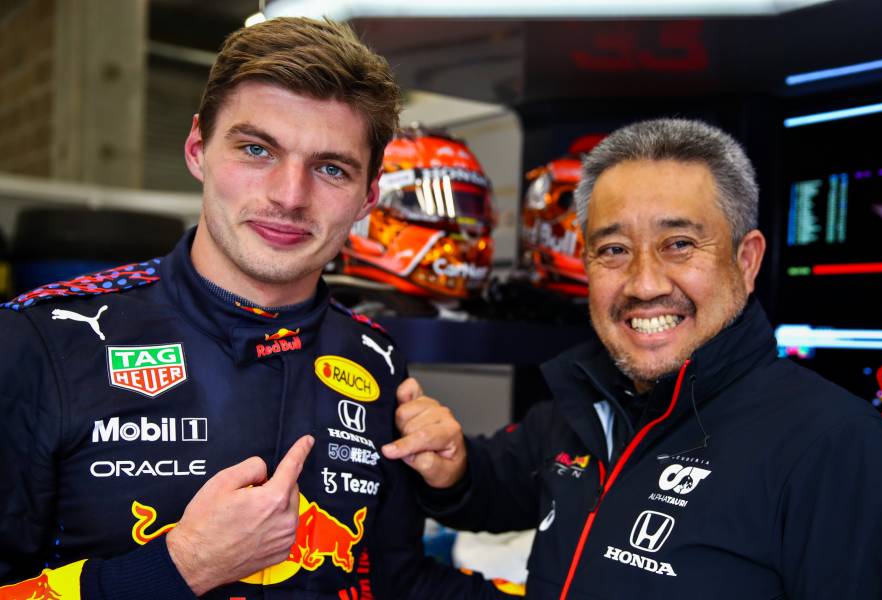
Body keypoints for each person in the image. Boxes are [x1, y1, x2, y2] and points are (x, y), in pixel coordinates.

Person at [0, 17, 510, 600]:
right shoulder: (41, 341)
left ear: (368, 195)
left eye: (331, 168)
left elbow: (390, 580)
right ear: (198, 149)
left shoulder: (373, 356)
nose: (289, 197)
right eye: (256, 149)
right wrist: (183, 566)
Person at [383, 118, 882, 599]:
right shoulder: (585, 406)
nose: (644, 284)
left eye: (679, 243)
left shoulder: (839, 449)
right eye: (614, 250)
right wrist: (451, 465)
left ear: (746, 261)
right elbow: (494, 483)